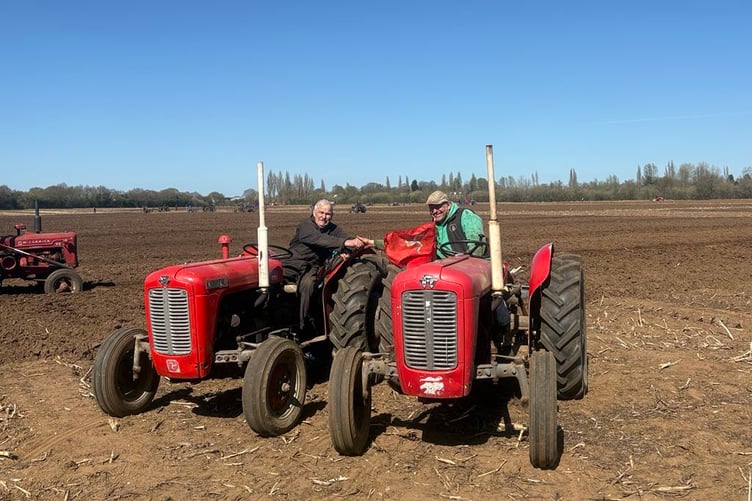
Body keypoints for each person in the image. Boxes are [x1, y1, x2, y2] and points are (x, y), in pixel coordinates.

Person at [283, 199, 365, 335]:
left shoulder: (333, 230)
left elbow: (349, 239)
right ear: (314, 212)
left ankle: (302, 326)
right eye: (321, 212)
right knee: (270, 279)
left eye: (328, 214)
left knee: (308, 285)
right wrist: (345, 243)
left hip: (311, 266)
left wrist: (347, 250)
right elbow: (316, 238)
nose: (324, 217)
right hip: (293, 260)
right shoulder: (305, 225)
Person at [424, 190, 488, 258]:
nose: (434, 211)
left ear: (448, 205)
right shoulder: (434, 226)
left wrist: (467, 255)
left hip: (472, 264)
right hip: (447, 265)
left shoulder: (465, 216)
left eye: (437, 206)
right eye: (431, 208)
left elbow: (476, 242)